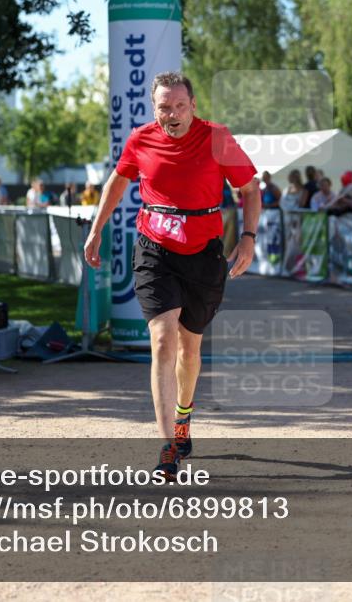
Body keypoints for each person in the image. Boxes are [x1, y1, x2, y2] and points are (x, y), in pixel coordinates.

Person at [84, 71, 260, 479]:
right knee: (163, 339)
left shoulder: (217, 137)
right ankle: (168, 447)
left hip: (203, 253)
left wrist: (248, 238)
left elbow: (249, 189)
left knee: (189, 349)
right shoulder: (141, 139)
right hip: (154, 248)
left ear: (193, 106)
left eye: (180, 106)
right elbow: (118, 180)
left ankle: (183, 418)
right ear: (155, 109)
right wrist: (97, 228)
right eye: (165, 107)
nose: (173, 114)